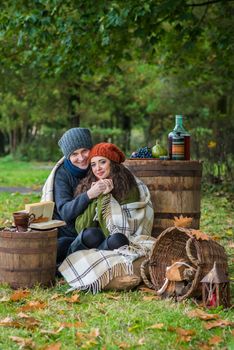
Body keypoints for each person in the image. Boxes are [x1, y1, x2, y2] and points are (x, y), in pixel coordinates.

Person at [41, 128, 113, 265]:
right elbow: (66, 212)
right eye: (74, 154)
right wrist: (90, 194)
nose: (81, 158)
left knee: (109, 237)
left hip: (95, 227)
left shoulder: (98, 166)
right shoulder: (62, 175)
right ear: (68, 156)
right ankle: (83, 257)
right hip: (69, 233)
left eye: (84, 151)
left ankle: (90, 258)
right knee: (63, 244)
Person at [67, 142, 154, 254]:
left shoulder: (127, 185)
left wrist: (105, 197)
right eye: (93, 164)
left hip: (113, 242)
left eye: (102, 162)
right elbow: (81, 228)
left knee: (118, 239)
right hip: (91, 241)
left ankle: (97, 257)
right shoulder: (88, 186)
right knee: (91, 234)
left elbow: (119, 232)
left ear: (112, 163)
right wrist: (95, 195)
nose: (97, 168)